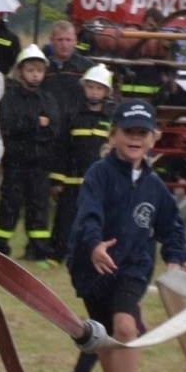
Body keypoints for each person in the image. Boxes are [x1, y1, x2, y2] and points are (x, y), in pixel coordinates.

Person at [68, 100, 186, 372]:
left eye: (142, 133)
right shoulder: (99, 174)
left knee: (126, 326)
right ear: (114, 135)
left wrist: (177, 256)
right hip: (93, 268)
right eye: (129, 132)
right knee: (105, 339)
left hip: (134, 267)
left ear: (153, 139)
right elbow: (88, 215)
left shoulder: (155, 187)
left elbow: (172, 225)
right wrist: (95, 245)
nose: (135, 139)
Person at [0, 43, 58, 261]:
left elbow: (54, 128)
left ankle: (37, 251)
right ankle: (0, 248)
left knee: (38, 208)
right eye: (31, 70)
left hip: (40, 164)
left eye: (39, 70)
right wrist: (37, 124)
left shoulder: (48, 99)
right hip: (15, 162)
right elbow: (9, 125)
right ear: (21, 70)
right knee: (9, 206)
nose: (35, 75)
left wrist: (31, 127)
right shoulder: (10, 97)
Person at [49, 64, 115, 266]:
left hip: (99, 183)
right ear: (84, 87)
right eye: (91, 87)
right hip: (72, 180)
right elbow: (61, 148)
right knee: (65, 219)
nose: (94, 92)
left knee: (96, 219)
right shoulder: (72, 115)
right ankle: (55, 255)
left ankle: (91, 255)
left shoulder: (110, 119)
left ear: (106, 92)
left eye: (99, 88)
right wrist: (57, 179)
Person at [42, 21, 93, 116]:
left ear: (75, 40)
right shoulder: (43, 67)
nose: (64, 45)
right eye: (60, 40)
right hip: (50, 124)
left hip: (78, 125)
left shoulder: (88, 68)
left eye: (68, 40)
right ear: (51, 40)